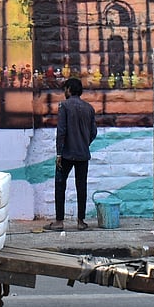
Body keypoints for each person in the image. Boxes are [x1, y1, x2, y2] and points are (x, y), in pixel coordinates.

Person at [46, 77, 97, 232]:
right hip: (82, 154)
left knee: (60, 185)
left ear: (68, 89)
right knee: (81, 187)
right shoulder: (89, 108)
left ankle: (59, 221)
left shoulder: (64, 106)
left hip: (66, 154)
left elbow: (61, 131)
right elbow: (93, 132)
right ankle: (81, 221)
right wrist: (84, 143)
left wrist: (59, 153)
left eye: (65, 89)